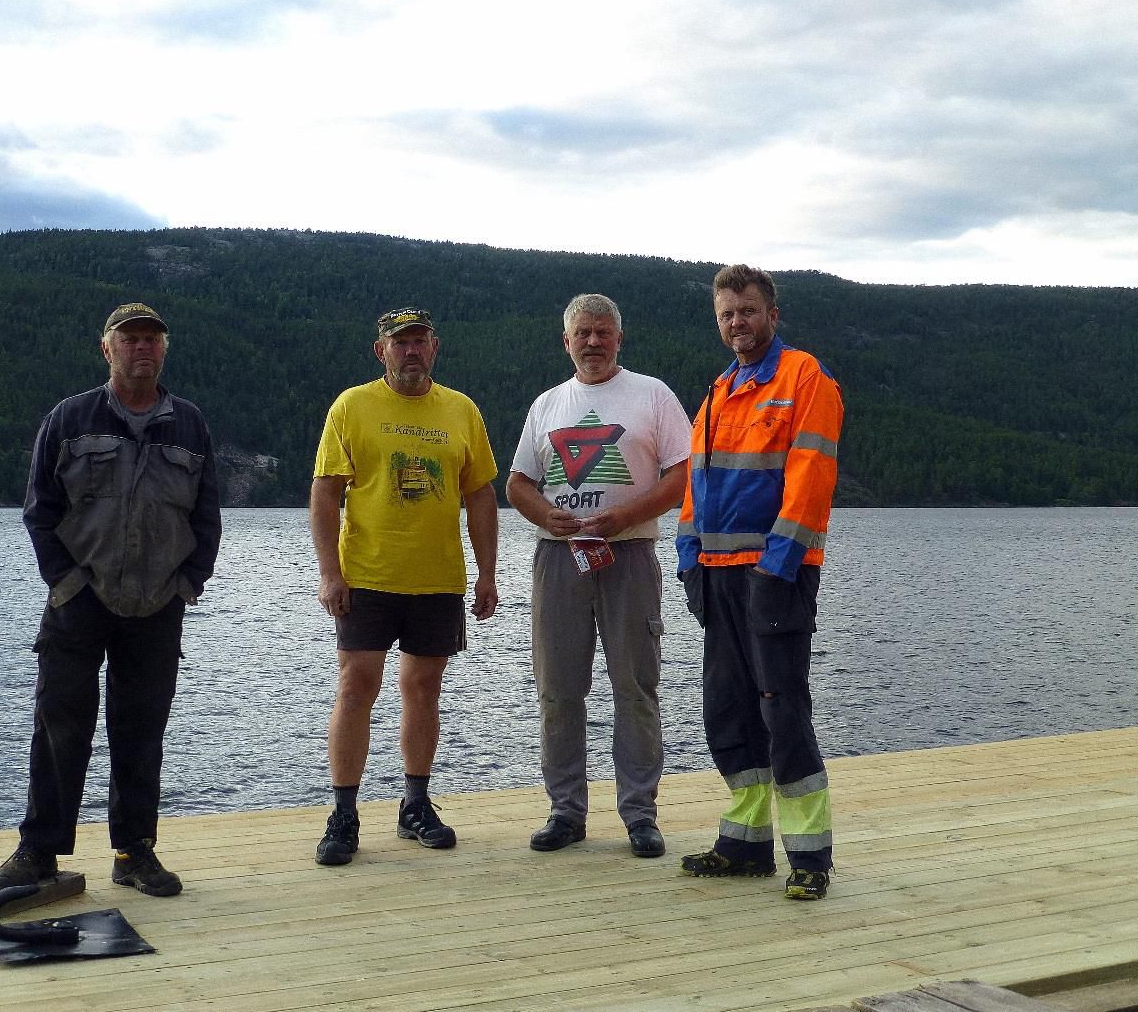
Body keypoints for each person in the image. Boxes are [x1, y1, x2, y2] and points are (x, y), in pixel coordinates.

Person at [0, 302, 222, 898]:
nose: (142, 347)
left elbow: (207, 516)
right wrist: (64, 583)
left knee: (142, 729)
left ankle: (134, 852)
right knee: (59, 725)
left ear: (164, 350)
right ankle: (40, 850)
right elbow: (39, 510)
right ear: (107, 349)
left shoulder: (190, 424)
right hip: (79, 598)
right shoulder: (69, 418)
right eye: (130, 339)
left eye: (152, 339)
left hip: (157, 603)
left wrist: (187, 584)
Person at [676, 264, 844, 900]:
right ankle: (744, 847)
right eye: (726, 313)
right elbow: (699, 481)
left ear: (773, 314)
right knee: (729, 712)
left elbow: (811, 478)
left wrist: (779, 565)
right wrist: (688, 554)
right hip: (717, 576)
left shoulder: (804, 378)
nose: (736, 322)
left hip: (777, 574)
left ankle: (810, 858)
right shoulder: (721, 390)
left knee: (782, 710)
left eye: (747, 310)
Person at [310, 307, 499, 867]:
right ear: (381, 351)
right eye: (401, 343)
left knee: (423, 688)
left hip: (437, 577)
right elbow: (325, 492)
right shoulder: (353, 405)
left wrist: (487, 572)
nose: (411, 351)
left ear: (434, 347)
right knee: (357, 683)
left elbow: (481, 496)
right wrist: (328, 572)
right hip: (366, 574)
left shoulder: (461, 410)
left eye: (420, 342)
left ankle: (414, 804)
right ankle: (344, 813)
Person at [506, 293, 691, 858]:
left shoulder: (653, 395)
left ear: (619, 338)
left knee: (635, 688)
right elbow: (518, 484)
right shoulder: (547, 405)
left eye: (602, 332)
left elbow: (682, 475)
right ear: (566, 341)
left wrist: (624, 516)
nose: (592, 342)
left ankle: (640, 816)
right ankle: (566, 813)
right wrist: (547, 516)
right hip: (559, 560)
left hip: (629, 557)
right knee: (558, 691)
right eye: (582, 333)